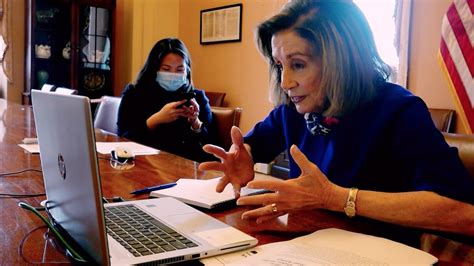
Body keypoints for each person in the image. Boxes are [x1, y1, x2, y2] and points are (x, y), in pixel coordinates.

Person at [199, 0, 474, 240]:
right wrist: (243, 154)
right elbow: (254, 144)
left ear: (341, 60)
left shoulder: (400, 111)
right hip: (307, 245)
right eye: (280, 65)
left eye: (298, 64)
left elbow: (461, 214)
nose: (284, 82)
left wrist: (335, 198)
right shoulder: (294, 109)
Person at [117, 38, 216, 162]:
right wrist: (155, 120)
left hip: (186, 166)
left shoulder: (197, 98)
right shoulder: (134, 94)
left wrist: (195, 123)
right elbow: (122, 139)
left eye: (180, 70)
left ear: (187, 71)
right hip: (143, 165)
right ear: (154, 69)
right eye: (166, 69)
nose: (173, 74)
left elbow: (213, 147)